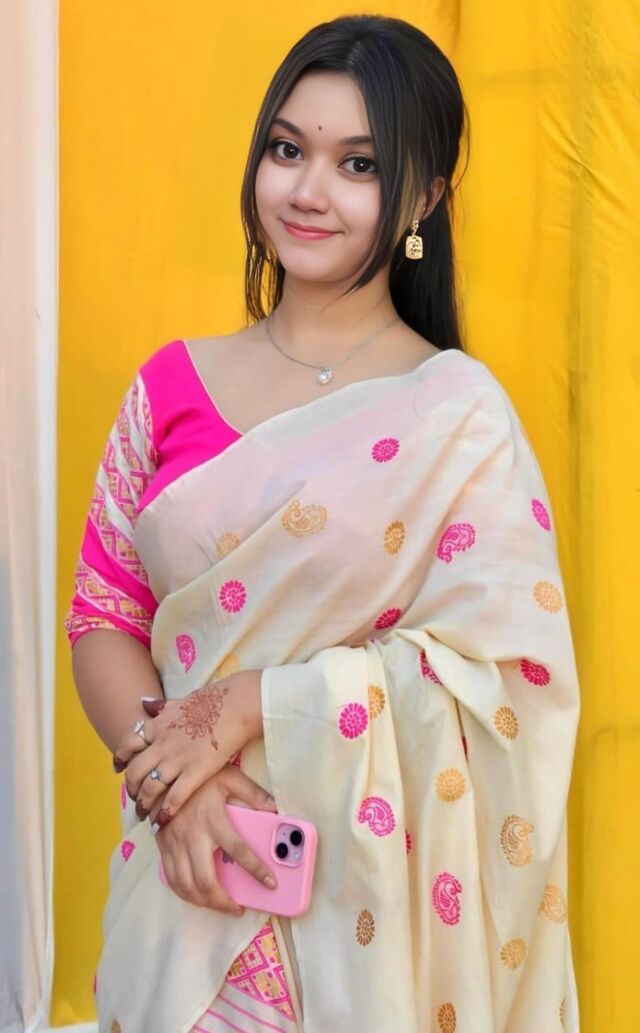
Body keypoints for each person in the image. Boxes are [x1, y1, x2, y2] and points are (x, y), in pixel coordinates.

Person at [65, 13, 580, 1033]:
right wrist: (176, 788)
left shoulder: (457, 416)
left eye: (358, 164)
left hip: (378, 922)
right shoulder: (169, 386)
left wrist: (253, 701)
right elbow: (102, 616)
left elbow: (507, 684)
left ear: (423, 198)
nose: (307, 190)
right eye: (287, 148)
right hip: (186, 896)